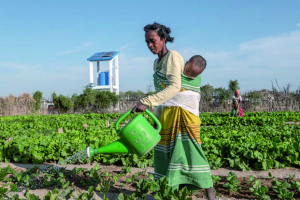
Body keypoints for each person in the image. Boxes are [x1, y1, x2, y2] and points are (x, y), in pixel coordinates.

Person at [132, 22, 215, 200]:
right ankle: (173, 195)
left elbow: (175, 88)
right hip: (168, 115)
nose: (149, 45)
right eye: (147, 42)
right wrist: (156, 114)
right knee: (169, 156)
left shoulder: (173, 57)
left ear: (163, 38)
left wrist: (147, 102)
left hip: (185, 116)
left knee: (193, 154)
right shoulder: (157, 62)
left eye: (153, 41)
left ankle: (211, 197)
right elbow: (161, 91)